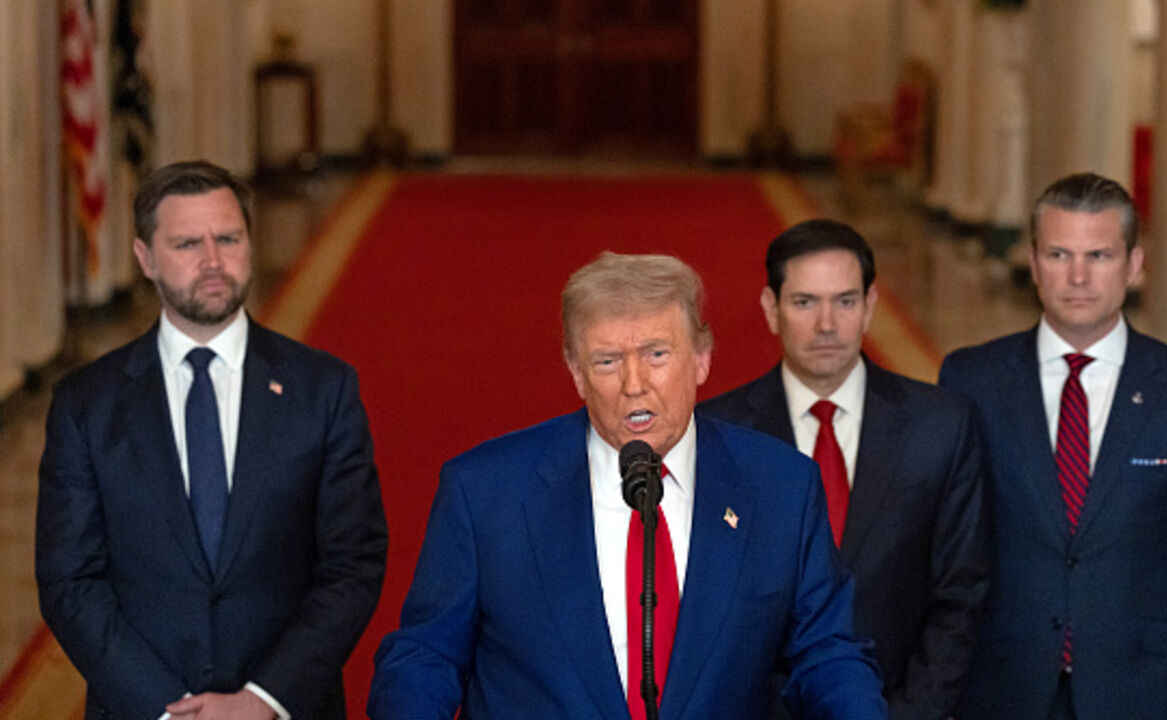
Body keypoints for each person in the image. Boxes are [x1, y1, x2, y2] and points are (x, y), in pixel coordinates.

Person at [368, 252, 887, 719]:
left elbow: (826, 652)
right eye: (607, 361)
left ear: (702, 358)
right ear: (576, 372)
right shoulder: (486, 491)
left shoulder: (780, 487)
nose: (634, 383)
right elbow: (425, 655)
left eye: (657, 354)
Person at [36, 160, 388, 720]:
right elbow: (70, 580)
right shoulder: (87, 405)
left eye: (228, 238)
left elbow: (353, 564)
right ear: (145, 258)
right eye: (186, 244)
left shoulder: (324, 389)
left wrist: (263, 699)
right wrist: (165, 709)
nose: (213, 262)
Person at [938, 173, 1167, 720]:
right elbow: (939, 558)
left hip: (1139, 695)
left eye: (1099, 255)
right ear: (1033, 261)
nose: (1078, 276)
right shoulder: (972, 381)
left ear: (1134, 264)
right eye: (1059, 254)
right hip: (1000, 691)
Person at [700, 219, 988, 720]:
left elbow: (961, 594)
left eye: (846, 301)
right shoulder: (719, 434)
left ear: (871, 306)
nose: (827, 324)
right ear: (772, 309)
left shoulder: (941, 426)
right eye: (805, 302)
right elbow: (709, 606)